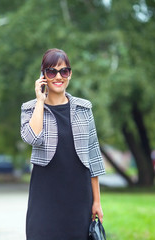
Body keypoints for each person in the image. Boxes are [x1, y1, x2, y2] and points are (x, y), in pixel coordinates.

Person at [20, 48, 106, 240]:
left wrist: (97, 202)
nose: (58, 77)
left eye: (64, 71)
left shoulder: (85, 108)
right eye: (52, 71)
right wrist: (40, 101)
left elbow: (93, 156)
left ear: (70, 74)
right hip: (45, 196)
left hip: (79, 196)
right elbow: (32, 138)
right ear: (43, 76)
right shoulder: (30, 109)